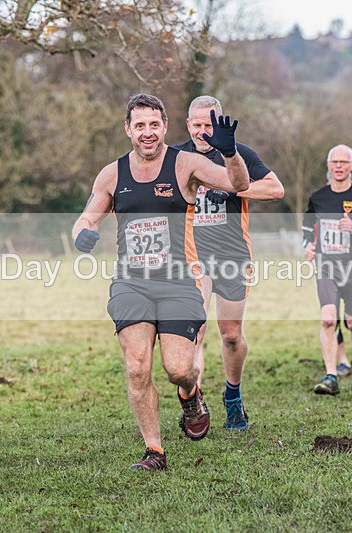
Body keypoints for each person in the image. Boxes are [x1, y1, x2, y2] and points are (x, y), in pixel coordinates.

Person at [72, 93, 250, 470]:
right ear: (128, 129)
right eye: (140, 126)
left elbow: (238, 184)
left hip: (178, 283)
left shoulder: (186, 164)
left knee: (179, 369)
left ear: (165, 126)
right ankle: (155, 450)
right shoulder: (112, 174)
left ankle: (190, 394)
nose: (147, 133)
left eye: (154, 125)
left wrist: (231, 153)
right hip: (131, 284)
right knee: (137, 366)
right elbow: (87, 218)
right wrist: (83, 234)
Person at [172, 95, 284, 431]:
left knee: (231, 334)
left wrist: (235, 189)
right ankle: (194, 402)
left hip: (233, 253)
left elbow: (275, 189)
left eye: (208, 124)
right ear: (187, 124)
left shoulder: (237, 153)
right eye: (196, 124)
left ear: (218, 122)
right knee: (196, 329)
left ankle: (232, 397)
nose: (202, 131)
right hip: (194, 255)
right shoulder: (176, 157)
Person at [302, 144, 352, 395]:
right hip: (327, 267)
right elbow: (307, 230)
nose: (338, 166)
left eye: (343, 163)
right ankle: (331, 376)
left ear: (351, 166)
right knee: (328, 320)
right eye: (334, 162)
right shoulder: (317, 198)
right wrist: (309, 247)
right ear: (328, 166)